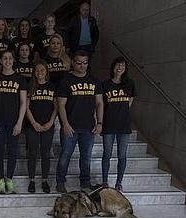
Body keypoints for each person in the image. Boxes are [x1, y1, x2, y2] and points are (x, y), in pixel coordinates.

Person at [55, 50, 103, 193]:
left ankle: (85, 183)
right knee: (65, 155)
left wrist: (99, 122)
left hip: (88, 127)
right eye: (79, 63)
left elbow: (100, 103)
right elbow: (61, 105)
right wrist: (65, 124)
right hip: (71, 127)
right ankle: (60, 182)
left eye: (85, 63)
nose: (82, 65)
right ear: (73, 63)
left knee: (86, 157)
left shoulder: (94, 81)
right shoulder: (66, 81)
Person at [0, 50, 27, 194]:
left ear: (13, 60)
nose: (7, 61)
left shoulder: (20, 79)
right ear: (1, 61)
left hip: (13, 122)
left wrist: (19, 122)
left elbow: (24, 102)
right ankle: (1, 180)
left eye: (10, 58)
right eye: (5, 58)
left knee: (12, 151)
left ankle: (9, 180)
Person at [101, 57, 135, 192]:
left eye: (122, 66)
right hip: (109, 124)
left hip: (124, 125)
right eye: (117, 65)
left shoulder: (130, 83)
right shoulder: (105, 84)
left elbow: (129, 102)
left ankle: (119, 183)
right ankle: (104, 181)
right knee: (107, 153)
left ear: (125, 68)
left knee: (122, 155)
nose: (119, 68)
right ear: (113, 67)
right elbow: (101, 104)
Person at [25, 62, 58, 193]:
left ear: (46, 71)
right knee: (32, 153)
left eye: (42, 70)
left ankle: (45, 180)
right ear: (34, 72)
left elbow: (56, 107)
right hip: (32, 125)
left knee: (45, 153)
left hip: (47, 125)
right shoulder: (30, 86)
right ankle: (31, 180)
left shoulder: (52, 86)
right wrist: (34, 123)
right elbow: (26, 107)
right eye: (37, 70)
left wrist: (50, 122)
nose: (39, 72)